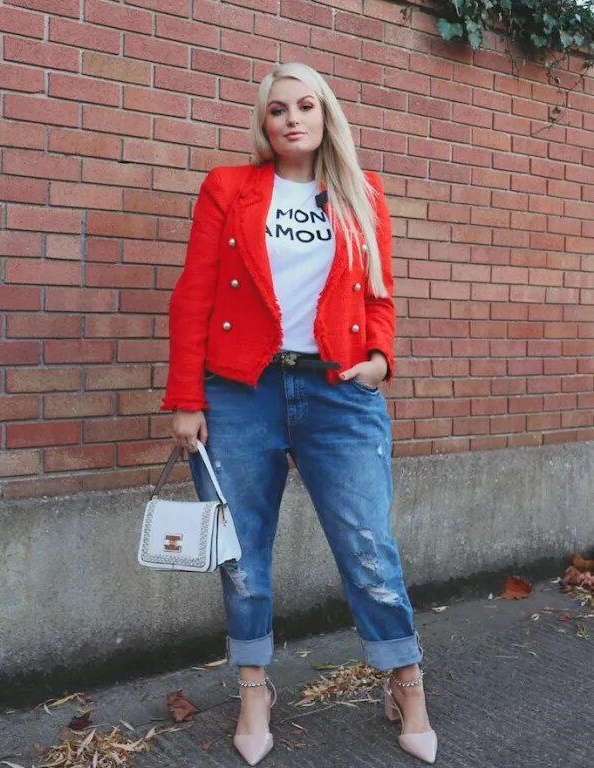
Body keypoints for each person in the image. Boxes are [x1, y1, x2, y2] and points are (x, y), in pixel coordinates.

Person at [163, 62, 437, 766]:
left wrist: (379, 358)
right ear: (263, 121)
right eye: (277, 108)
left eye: (305, 106)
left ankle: (405, 682)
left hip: (338, 390)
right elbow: (194, 293)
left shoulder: (359, 192)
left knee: (368, 545)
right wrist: (186, 398)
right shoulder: (228, 189)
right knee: (242, 557)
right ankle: (254, 688)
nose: (291, 118)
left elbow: (380, 294)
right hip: (237, 392)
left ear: (325, 118)